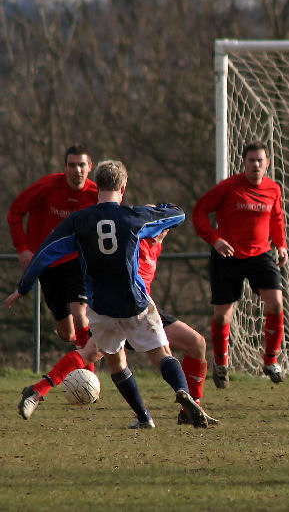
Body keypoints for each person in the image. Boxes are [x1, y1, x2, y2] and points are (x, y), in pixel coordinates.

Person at [7, 160, 215, 428]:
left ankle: (143, 418)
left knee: (114, 362)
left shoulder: (78, 221)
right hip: (133, 302)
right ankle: (181, 391)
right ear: (123, 187)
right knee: (163, 355)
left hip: (101, 307)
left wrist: (23, 287)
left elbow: (45, 254)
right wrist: (160, 209)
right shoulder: (134, 217)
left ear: (97, 187)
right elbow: (178, 215)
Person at [193, 141, 289, 388]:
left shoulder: (273, 189)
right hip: (228, 255)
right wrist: (215, 240)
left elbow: (277, 218)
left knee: (276, 304)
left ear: (267, 163)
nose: (256, 165)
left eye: (260, 160)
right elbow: (200, 212)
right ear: (243, 163)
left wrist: (281, 245)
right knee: (223, 316)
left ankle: (270, 360)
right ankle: (221, 364)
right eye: (251, 160)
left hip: (260, 255)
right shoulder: (228, 187)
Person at [7, 145, 98, 361]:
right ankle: (81, 347)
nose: (77, 170)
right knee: (68, 334)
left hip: (78, 260)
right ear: (65, 167)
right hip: (49, 262)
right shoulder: (48, 186)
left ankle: (87, 377)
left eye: (82, 165)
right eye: (72, 165)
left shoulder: (95, 194)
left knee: (80, 317)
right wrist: (22, 248)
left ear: (89, 167)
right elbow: (15, 212)